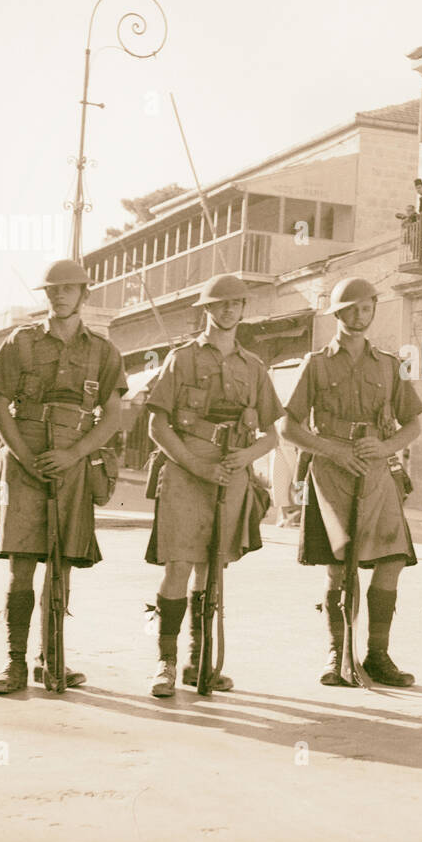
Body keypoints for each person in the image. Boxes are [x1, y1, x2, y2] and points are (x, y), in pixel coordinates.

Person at [0, 258, 126, 695]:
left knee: (60, 569)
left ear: (84, 293)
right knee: (21, 568)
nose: (58, 295)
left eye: (67, 289)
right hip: (23, 463)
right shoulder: (21, 342)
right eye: (52, 290)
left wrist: (76, 454)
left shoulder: (102, 351)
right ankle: (15, 665)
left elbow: (113, 416)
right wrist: (23, 458)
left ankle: (53, 661)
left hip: (71, 466)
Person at [143, 274, 284, 697]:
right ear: (206, 309)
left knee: (212, 570)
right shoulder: (182, 359)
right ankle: (165, 664)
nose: (228, 310)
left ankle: (198, 662)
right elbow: (157, 425)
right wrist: (193, 466)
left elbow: (272, 434)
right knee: (178, 568)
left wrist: (246, 457)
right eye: (220, 304)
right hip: (187, 471)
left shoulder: (254, 367)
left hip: (231, 473)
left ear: (243, 309)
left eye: (235, 303)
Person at [281, 277, 422, 688]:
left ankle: (378, 655)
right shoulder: (317, 363)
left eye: (366, 309)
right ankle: (337, 653)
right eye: (352, 309)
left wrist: (387, 446)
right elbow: (287, 425)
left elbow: (412, 422)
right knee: (339, 569)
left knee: (392, 561)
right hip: (332, 471)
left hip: (377, 472)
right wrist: (332, 451)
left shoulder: (389, 364)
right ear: (338, 314)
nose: (360, 316)